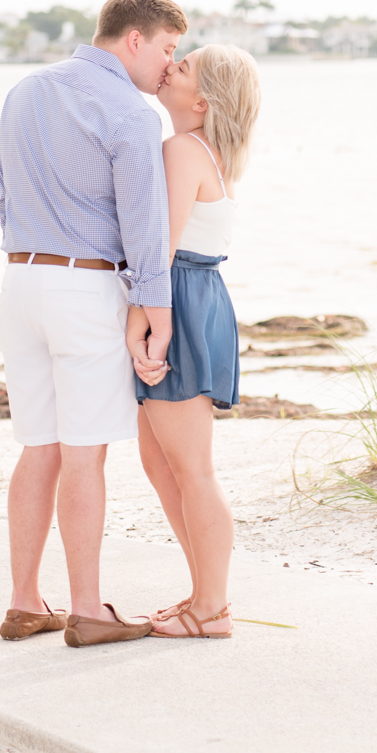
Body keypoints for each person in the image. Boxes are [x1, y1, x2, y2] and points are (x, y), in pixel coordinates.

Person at [0, 0, 186, 647]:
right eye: (166, 48)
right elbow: (143, 225)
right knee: (82, 456)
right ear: (134, 39)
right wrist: (153, 311)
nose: (169, 64)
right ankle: (87, 610)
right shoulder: (131, 113)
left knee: (37, 448)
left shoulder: (24, 91)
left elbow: (2, 200)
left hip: (18, 284)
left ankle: (23, 603)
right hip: (83, 291)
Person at [130, 42, 262, 639]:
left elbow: (160, 244)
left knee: (190, 468)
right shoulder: (205, 151)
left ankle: (213, 608)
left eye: (181, 67)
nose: (169, 67)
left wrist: (144, 323)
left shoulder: (183, 149)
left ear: (202, 100)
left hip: (178, 299)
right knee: (162, 465)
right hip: (193, 294)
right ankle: (202, 595)